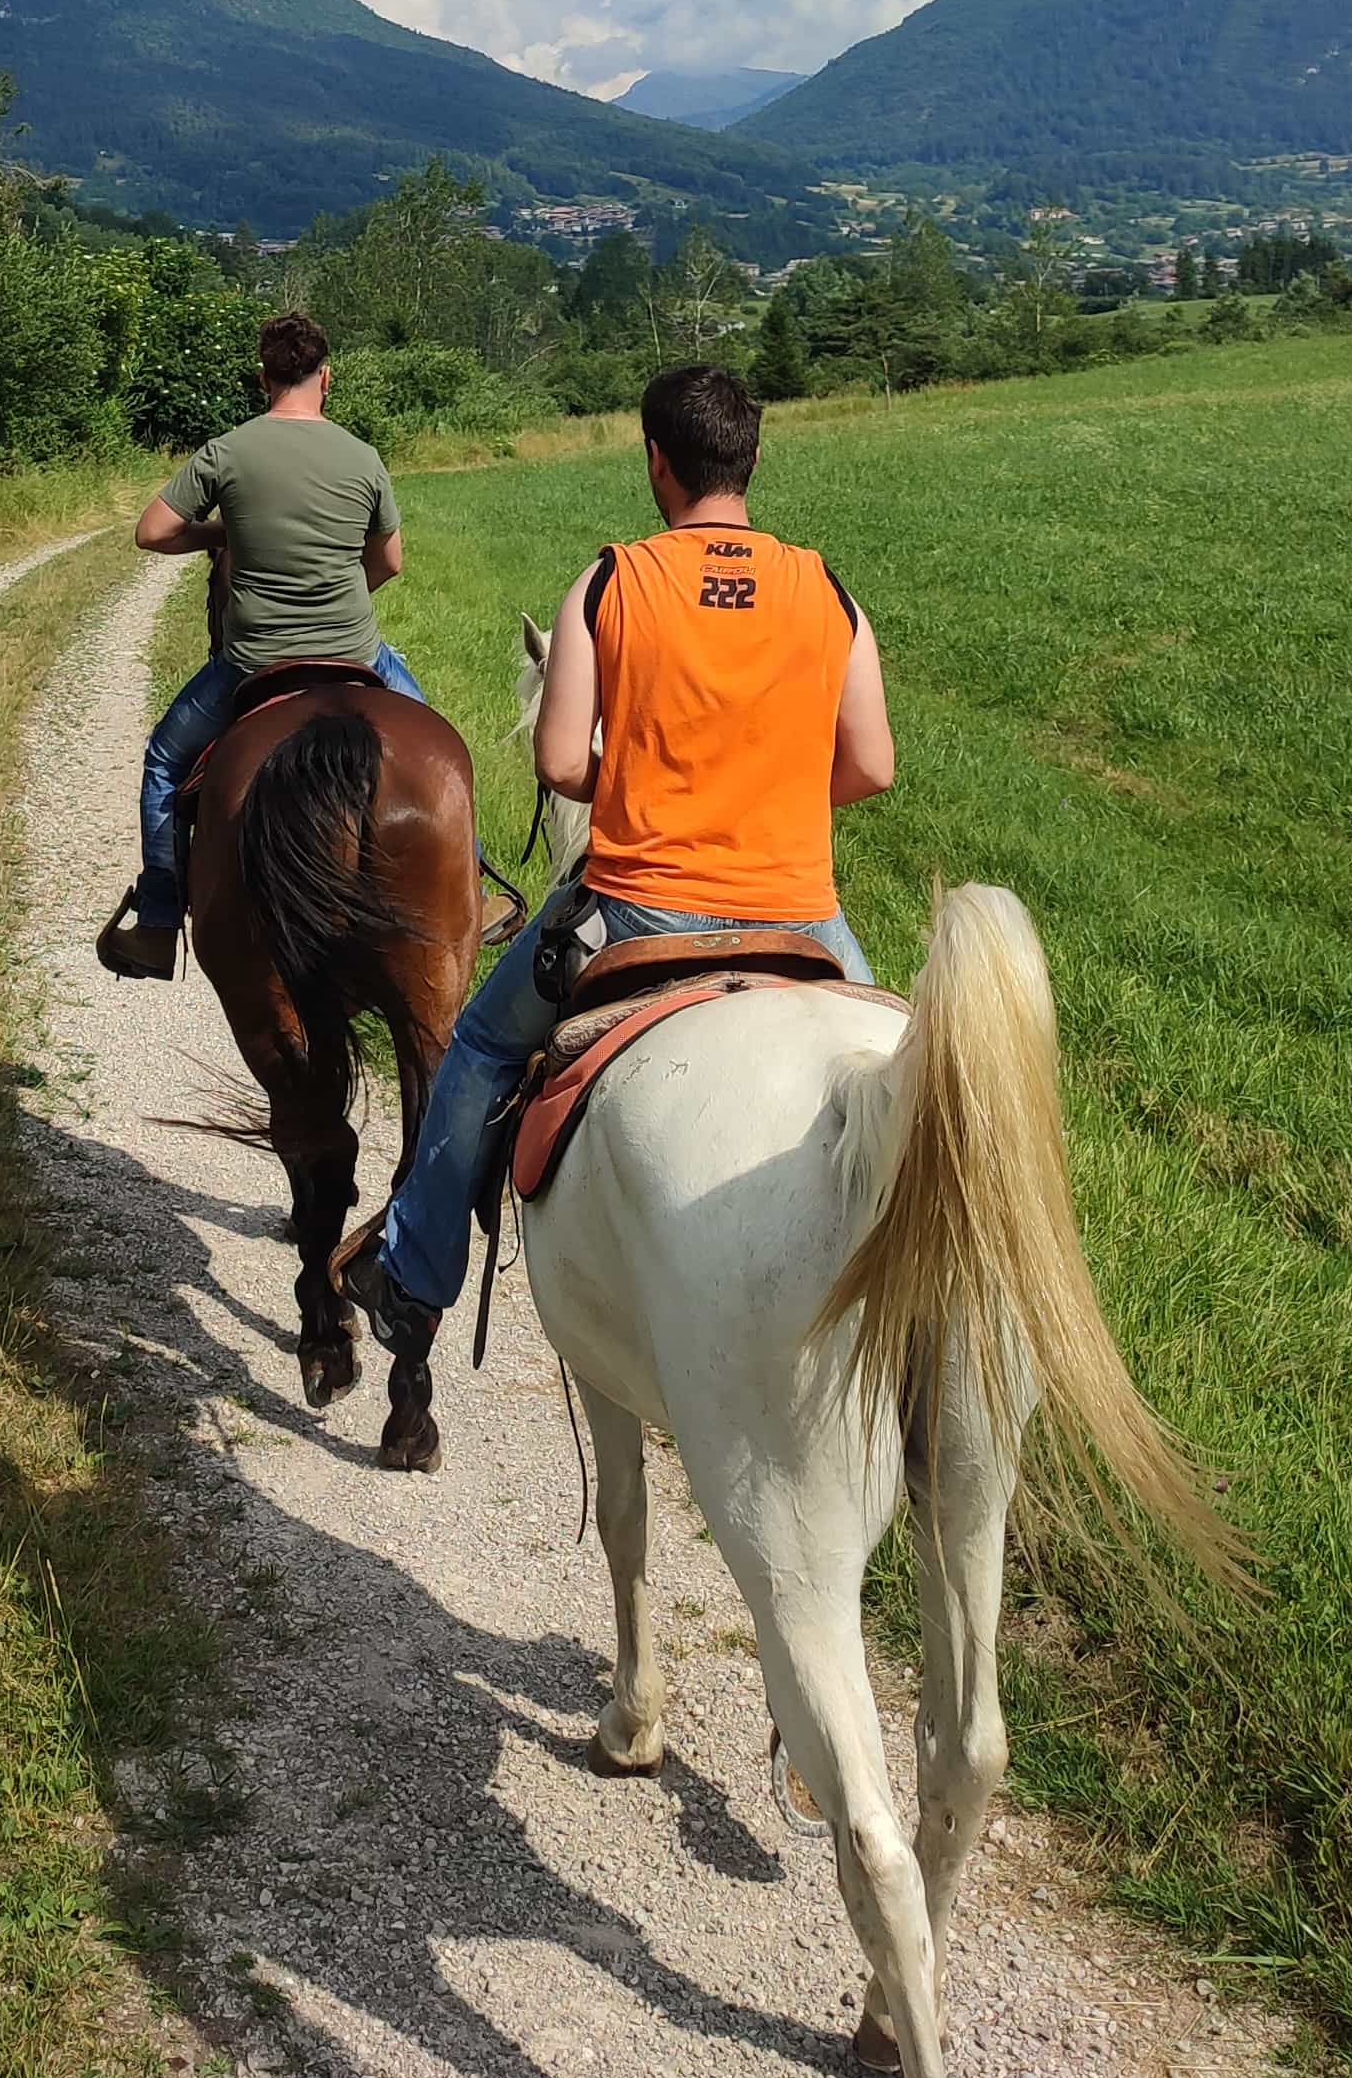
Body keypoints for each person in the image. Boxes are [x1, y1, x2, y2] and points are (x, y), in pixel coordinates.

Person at [339, 359, 894, 1351]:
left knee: (477, 1046)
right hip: (801, 914)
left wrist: (648, 784)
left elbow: (558, 760)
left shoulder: (611, 581)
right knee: (900, 1089)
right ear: (751, 459)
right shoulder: (826, 587)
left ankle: (414, 1276)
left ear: (655, 463)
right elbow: (872, 763)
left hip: (637, 908)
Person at [94, 310, 428, 978]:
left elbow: (152, 532)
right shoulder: (363, 458)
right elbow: (389, 562)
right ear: (325, 379)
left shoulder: (227, 452)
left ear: (263, 378)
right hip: (356, 655)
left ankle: (159, 921)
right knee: (437, 750)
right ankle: (469, 882)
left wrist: (221, 534)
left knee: (164, 762)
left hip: (253, 663)